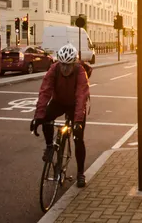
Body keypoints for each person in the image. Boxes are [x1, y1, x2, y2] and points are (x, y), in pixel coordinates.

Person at [30, 44, 90, 187]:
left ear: (74, 64)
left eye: (68, 65)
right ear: (59, 62)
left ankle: (80, 173)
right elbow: (45, 91)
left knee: (78, 138)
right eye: (62, 64)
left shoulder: (80, 72)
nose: (65, 68)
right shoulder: (54, 69)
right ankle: (50, 146)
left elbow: (81, 96)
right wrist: (38, 116)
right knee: (45, 118)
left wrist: (78, 121)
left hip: (75, 104)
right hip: (59, 101)